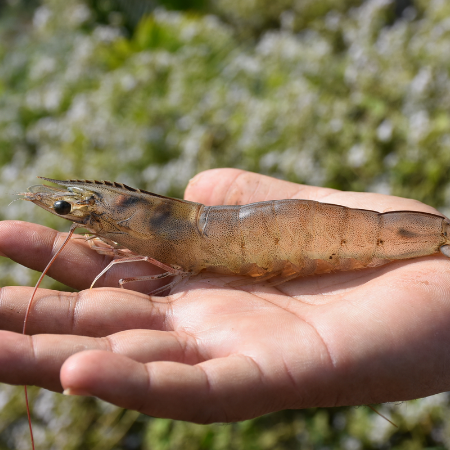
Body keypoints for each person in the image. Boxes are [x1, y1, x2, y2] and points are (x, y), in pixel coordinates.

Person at [0, 168, 449, 423]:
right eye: (69, 209)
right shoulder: (132, 221)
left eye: (67, 210)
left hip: (316, 234)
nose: (68, 214)